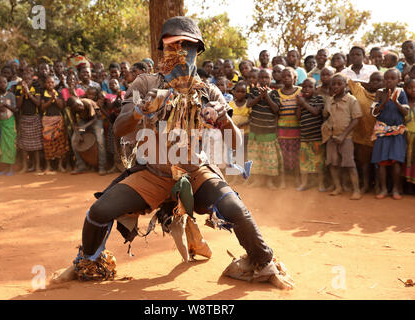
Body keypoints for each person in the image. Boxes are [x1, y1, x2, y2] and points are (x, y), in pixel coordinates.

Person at [53, 16, 293, 290]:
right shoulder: (144, 84)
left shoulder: (208, 91)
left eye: (186, 46)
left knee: (234, 208)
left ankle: (262, 264)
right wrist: (139, 111)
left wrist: (222, 120)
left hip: (194, 172)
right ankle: (87, 260)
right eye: (171, 46)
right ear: (163, 51)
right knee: (100, 210)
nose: (178, 52)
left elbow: (236, 143)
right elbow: (119, 128)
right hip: (152, 173)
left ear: (197, 51)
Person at [321, 74, 362, 200]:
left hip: (346, 137)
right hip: (331, 137)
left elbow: (356, 119)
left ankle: (356, 190)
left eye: (340, 84)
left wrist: (343, 135)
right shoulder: (330, 100)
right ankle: (337, 187)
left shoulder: (351, 100)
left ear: (346, 85)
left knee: (350, 164)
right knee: (333, 163)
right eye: (333, 84)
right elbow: (325, 115)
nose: (336, 86)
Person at [371, 69, 409, 200]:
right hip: (382, 132)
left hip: (397, 132)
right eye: (386, 78)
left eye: (392, 78)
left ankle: (395, 189)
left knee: (396, 162)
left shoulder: (401, 92)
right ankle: (383, 189)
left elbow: (405, 113)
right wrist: (384, 102)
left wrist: (395, 101)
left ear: (398, 80)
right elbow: (374, 113)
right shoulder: (380, 93)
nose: (389, 81)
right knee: (382, 162)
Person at [246, 69, 285, 189]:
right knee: (255, 159)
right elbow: (249, 104)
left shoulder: (274, 93)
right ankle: (258, 180)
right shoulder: (253, 91)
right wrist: (259, 96)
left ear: (270, 79)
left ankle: (269, 182)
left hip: (268, 133)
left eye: (266, 77)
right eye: (261, 77)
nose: (264, 80)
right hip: (255, 132)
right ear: (258, 79)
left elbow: (276, 109)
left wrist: (266, 96)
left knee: (269, 160)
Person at [348, 72, 384, 194]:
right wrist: (363, 81)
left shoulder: (386, 95)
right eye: (371, 80)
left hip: (380, 136)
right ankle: (366, 185)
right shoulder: (360, 91)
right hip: (361, 135)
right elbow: (347, 80)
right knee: (364, 163)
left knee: (379, 164)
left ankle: (378, 186)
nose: (374, 83)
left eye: (378, 80)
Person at [296, 78, 325, 191]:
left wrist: (303, 103)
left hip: (317, 137)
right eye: (304, 87)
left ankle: (321, 184)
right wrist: (299, 105)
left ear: (315, 88)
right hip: (304, 137)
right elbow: (298, 118)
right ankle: (304, 183)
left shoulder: (318, 99)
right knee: (304, 163)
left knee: (319, 163)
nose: (306, 89)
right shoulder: (301, 101)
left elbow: (316, 112)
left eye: (310, 87)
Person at [67, 96, 107, 176]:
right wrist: (78, 134)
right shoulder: (72, 109)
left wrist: (84, 127)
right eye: (76, 107)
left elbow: (96, 118)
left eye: (79, 105)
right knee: (74, 141)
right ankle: (81, 166)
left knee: (100, 141)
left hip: (96, 121)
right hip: (84, 122)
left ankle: (102, 167)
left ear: (79, 99)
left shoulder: (88, 103)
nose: (79, 107)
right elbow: (74, 123)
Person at [276, 67, 302, 186]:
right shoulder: (277, 93)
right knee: (282, 157)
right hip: (282, 130)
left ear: (294, 78)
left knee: (297, 156)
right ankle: (283, 180)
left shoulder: (300, 91)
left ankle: (297, 179)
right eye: (284, 76)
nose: (286, 78)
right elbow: (276, 113)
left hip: (297, 130)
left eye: (289, 76)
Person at [40, 76, 69, 174]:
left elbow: (61, 106)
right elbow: (43, 108)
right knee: (47, 144)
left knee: (60, 144)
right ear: (45, 84)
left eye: (52, 83)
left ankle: (60, 165)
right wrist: (50, 100)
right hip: (47, 121)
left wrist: (55, 98)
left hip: (58, 120)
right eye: (48, 83)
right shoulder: (43, 94)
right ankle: (48, 166)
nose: (50, 84)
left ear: (54, 84)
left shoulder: (59, 93)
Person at [16, 71, 43, 174]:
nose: (27, 81)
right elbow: (18, 106)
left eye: (28, 79)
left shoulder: (36, 89)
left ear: (32, 80)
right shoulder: (19, 90)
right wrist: (23, 93)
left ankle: (37, 167)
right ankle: (25, 167)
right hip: (24, 118)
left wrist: (28, 93)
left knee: (36, 146)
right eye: (25, 80)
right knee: (23, 146)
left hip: (34, 118)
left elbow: (37, 103)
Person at [0, 76, 17, 176]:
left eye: (5, 82)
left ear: (7, 84)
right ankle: (5, 168)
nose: (2, 84)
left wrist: (5, 106)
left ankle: (11, 168)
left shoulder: (11, 95)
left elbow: (15, 109)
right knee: (3, 145)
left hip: (10, 122)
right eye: (0, 82)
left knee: (10, 145)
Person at [403, 78, 415, 186]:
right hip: (406, 138)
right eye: (410, 88)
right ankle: (407, 185)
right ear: (405, 89)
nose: (413, 90)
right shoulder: (403, 104)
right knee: (406, 159)